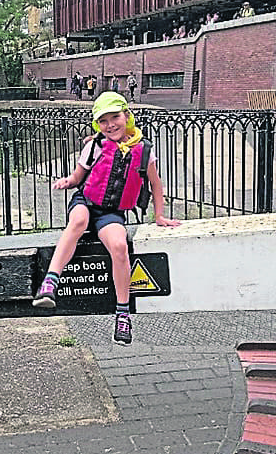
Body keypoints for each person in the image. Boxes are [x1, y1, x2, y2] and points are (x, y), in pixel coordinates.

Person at [32, 92, 180, 344]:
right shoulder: (95, 146)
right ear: (97, 124)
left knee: (120, 247)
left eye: (115, 117)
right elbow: (78, 178)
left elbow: (155, 184)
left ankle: (122, 313)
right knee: (77, 222)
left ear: (126, 116)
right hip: (86, 202)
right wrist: (66, 182)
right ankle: (50, 282)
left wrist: (159, 215)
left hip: (111, 212)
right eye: (103, 121)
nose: (110, 125)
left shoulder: (144, 151)